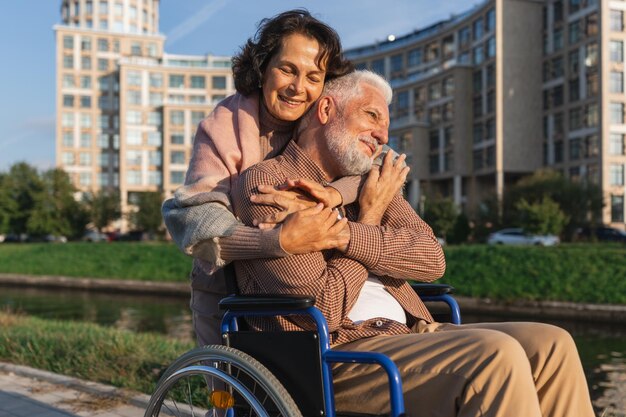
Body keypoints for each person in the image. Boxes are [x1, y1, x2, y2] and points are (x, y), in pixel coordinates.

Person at [231, 70, 595, 417]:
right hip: (337, 351)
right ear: (326, 110)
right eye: (372, 115)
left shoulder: (370, 184)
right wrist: (371, 218)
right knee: (495, 355)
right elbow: (325, 307)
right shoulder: (271, 182)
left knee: (552, 343)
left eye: (386, 126)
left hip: (410, 332)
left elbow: (431, 259)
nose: (381, 135)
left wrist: (350, 232)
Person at [162, 10, 355, 349]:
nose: (299, 88)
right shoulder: (224, 124)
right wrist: (278, 240)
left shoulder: (325, 117)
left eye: (314, 76)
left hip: (306, 287)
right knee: (229, 397)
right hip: (228, 293)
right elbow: (198, 214)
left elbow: (375, 160)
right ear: (263, 67)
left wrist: (329, 195)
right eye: (287, 69)